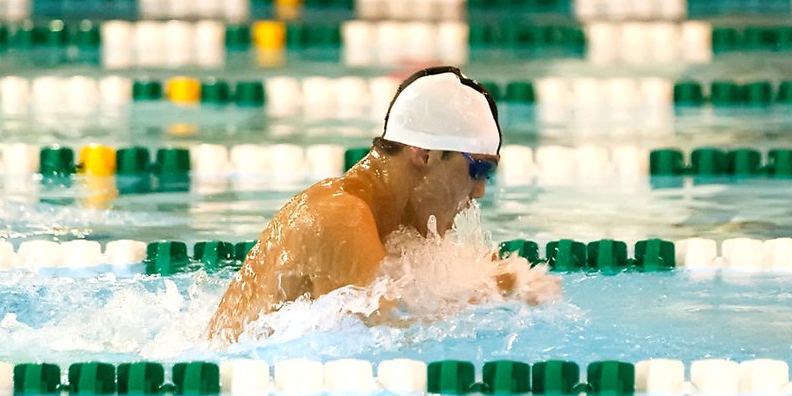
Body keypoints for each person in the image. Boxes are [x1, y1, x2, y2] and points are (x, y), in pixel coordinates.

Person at [207, 65, 544, 344]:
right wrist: (497, 288)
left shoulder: (387, 224)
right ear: (424, 154)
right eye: (478, 169)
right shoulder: (337, 216)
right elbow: (391, 326)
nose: (481, 190)